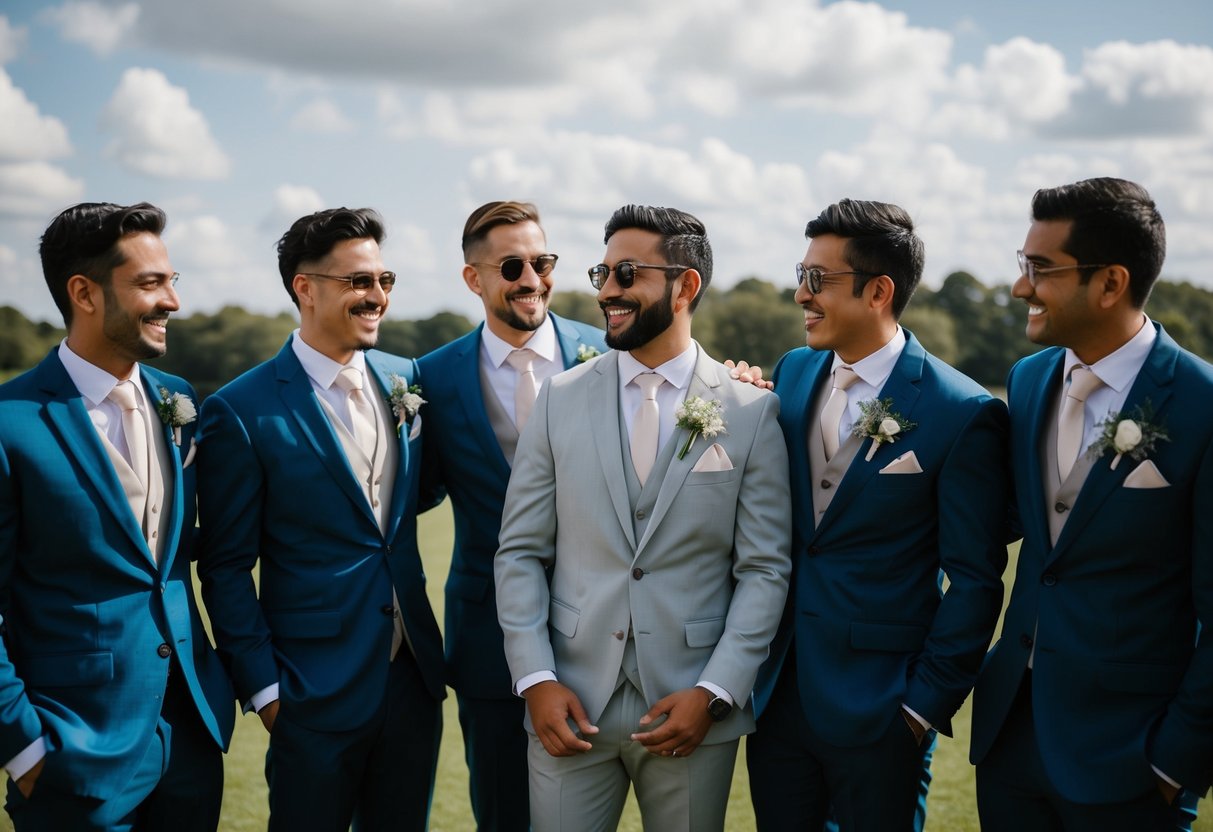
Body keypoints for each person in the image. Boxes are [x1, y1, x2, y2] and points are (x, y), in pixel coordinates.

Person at [493, 204, 791, 831]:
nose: (606, 291)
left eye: (627, 273)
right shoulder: (560, 399)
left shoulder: (750, 412)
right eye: (602, 272)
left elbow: (764, 569)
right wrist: (536, 679)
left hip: (689, 708)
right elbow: (520, 552)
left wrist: (715, 692)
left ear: (686, 286)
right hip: (569, 703)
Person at [747, 198, 1010, 831]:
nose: (799, 295)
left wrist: (921, 708)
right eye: (800, 275)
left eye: (818, 280)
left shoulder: (962, 409)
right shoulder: (793, 372)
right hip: (777, 696)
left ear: (878, 292)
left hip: (883, 709)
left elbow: (975, 579)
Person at [970, 177, 1213, 830]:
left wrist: (1173, 760)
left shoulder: (1202, 406)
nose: (1020, 286)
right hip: (1010, 740)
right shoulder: (1027, 380)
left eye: (1039, 269)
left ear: (1109, 284)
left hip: (1131, 755)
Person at [195, 208, 445, 831]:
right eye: (359, 281)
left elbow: (411, 498)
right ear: (305, 288)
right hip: (308, 690)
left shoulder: (405, 379)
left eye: (385, 280)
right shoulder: (240, 410)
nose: (377, 296)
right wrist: (267, 693)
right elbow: (226, 567)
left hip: (411, 679)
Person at [0, 202, 234, 829]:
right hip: (72, 747)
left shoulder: (177, 400)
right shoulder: (9, 421)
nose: (172, 303)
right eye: (150, 284)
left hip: (190, 736)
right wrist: (24, 745)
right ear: (84, 293)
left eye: (172, 280)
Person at [416, 200, 605, 830]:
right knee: (501, 812)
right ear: (474, 279)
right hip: (488, 638)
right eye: (513, 266)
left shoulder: (610, 355)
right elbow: (411, 494)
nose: (532, 279)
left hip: (607, 631)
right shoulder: (432, 379)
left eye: (543, 262)